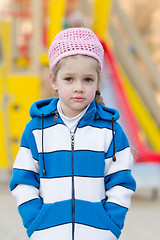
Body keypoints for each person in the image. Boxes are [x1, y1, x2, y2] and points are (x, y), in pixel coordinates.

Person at [9, 27, 136, 240]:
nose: (79, 87)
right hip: (48, 234)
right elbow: (23, 180)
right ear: (53, 80)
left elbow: (121, 181)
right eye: (69, 79)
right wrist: (35, 222)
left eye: (87, 79)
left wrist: (110, 225)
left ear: (97, 82)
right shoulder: (36, 129)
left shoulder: (110, 130)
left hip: (98, 234)